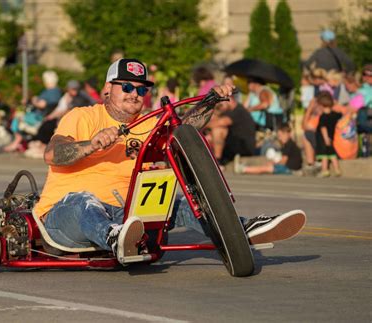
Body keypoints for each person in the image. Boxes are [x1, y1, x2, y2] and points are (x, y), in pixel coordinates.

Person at [33, 58, 306, 263]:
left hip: (129, 215)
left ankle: (240, 229)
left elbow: (185, 128)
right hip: (66, 216)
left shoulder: (146, 124)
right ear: (108, 88)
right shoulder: (83, 116)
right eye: (127, 86)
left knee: (185, 201)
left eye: (141, 90)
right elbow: (53, 154)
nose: (134, 94)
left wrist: (211, 101)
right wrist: (92, 144)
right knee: (83, 201)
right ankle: (114, 238)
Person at [204, 90, 256, 164]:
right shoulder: (229, 111)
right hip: (234, 143)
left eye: (221, 101)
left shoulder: (239, 110)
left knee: (218, 129)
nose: (220, 104)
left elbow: (222, 122)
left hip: (244, 146)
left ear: (229, 99)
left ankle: (217, 161)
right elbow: (214, 119)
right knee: (211, 133)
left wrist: (201, 125)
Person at [234, 124, 302, 175]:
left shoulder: (288, 144)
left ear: (287, 134)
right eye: (279, 136)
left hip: (289, 169)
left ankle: (243, 169)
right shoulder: (290, 144)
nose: (280, 138)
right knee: (266, 167)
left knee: (265, 168)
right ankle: (244, 168)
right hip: (290, 168)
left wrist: (274, 163)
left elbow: (283, 161)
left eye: (281, 135)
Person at [315, 91, 342, 177]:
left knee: (324, 155)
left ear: (321, 105)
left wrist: (325, 138)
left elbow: (323, 128)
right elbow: (341, 115)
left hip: (323, 139)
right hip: (332, 137)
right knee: (332, 154)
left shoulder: (323, 116)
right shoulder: (335, 115)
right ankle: (337, 169)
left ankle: (325, 170)